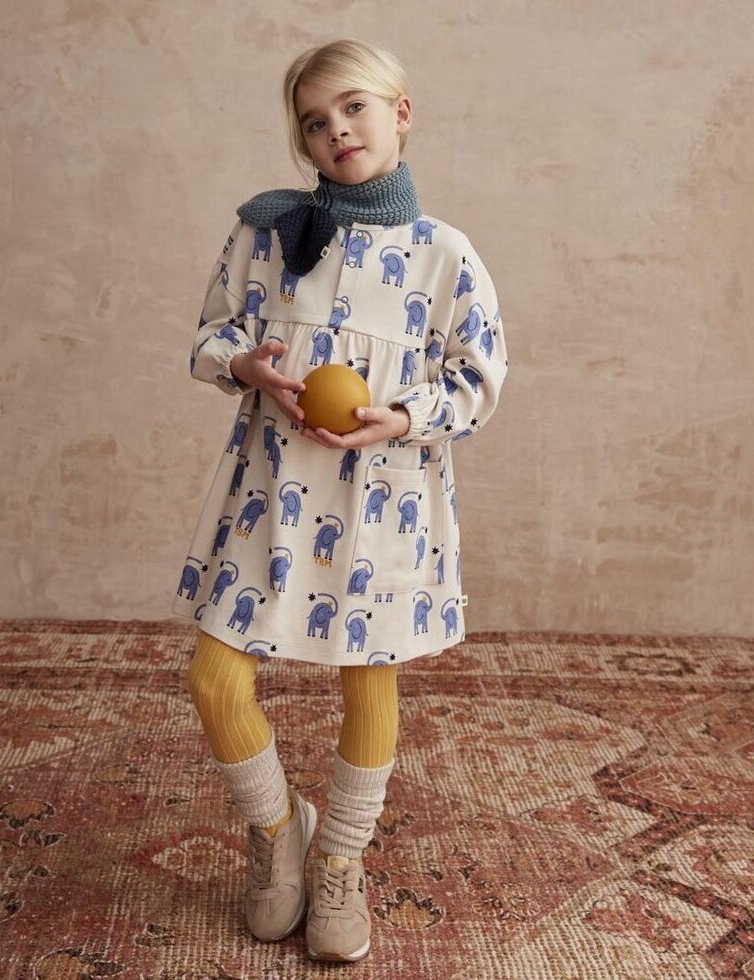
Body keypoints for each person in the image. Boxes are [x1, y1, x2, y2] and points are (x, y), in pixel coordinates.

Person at [173, 37, 508, 963]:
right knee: (215, 677)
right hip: (270, 496)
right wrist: (245, 363)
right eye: (315, 122)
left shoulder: (446, 256)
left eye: (354, 108)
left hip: (385, 504)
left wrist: (400, 418)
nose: (337, 131)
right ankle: (279, 831)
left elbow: (478, 381)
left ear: (401, 112)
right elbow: (210, 335)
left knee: (370, 681)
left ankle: (342, 864)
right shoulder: (267, 232)